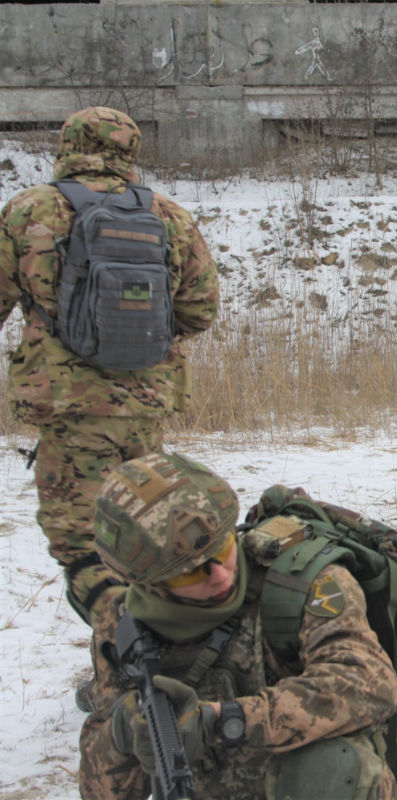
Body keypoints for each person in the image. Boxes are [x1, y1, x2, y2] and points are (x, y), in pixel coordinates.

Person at [0, 106, 219, 627]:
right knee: (151, 535)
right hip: (145, 406)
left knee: (83, 547)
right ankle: (162, 644)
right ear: (131, 153)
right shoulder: (169, 216)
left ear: (68, 145)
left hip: (67, 406)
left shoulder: (28, 211)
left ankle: (120, 664)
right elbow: (201, 309)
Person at [78, 452, 397, 800]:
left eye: (222, 551)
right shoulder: (125, 628)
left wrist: (223, 721)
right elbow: (99, 792)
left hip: (303, 788)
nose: (220, 575)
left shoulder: (300, 582)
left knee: (328, 768)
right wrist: (122, 735)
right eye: (191, 571)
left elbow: (369, 686)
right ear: (149, 583)